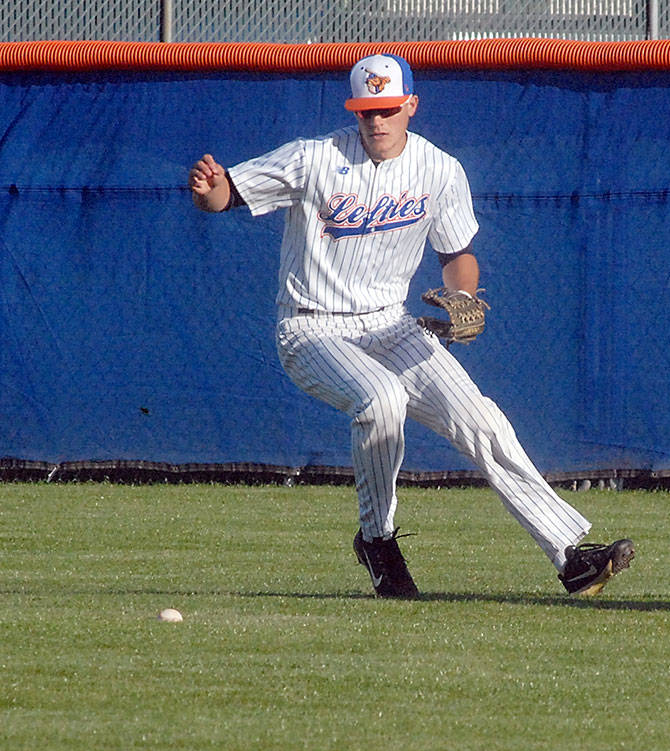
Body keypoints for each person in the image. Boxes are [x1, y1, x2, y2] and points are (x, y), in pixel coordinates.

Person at [188, 53, 633, 599]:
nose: (377, 120)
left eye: (388, 109)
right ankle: (377, 540)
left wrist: (463, 296)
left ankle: (569, 556)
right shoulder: (315, 159)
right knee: (380, 400)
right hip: (312, 328)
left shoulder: (440, 170)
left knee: (484, 423)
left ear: (411, 107)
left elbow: (458, 254)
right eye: (366, 110)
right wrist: (210, 190)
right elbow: (227, 193)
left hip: (391, 326)